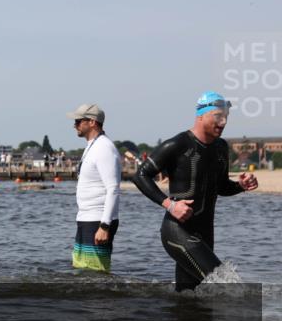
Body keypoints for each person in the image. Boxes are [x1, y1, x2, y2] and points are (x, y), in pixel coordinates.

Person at [132, 92, 258, 291]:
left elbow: (221, 186)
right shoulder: (178, 144)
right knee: (227, 286)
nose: (224, 122)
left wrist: (240, 186)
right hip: (178, 231)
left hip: (205, 233)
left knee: (188, 298)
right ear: (201, 115)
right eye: (218, 116)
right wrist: (169, 204)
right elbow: (140, 175)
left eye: (226, 117)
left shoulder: (221, 147)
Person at [66, 104, 122, 272]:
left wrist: (104, 226)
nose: (74, 125)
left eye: (78, 121)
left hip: (98, 220)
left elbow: (113, 189)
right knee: (81, 269)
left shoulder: (104, 148)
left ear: (92, 122)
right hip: (86, 217)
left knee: (95, 272)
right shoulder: (92, 146)